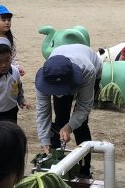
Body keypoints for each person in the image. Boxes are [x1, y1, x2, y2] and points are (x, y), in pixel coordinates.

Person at [34, 43, 102, 178]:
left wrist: (70, 127)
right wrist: (44, 140)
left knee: (81, 124)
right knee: (60, 119)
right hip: (61, 70)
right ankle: (56, 165)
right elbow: (43, 112)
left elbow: (84, 107)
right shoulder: (44, 77)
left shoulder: (88, 70)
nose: (60, 94)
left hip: (90, 66)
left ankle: (84, 170)